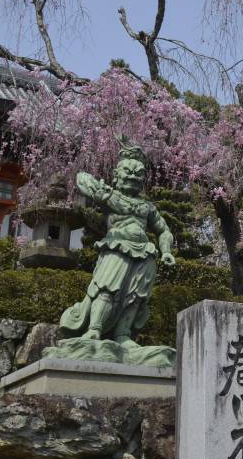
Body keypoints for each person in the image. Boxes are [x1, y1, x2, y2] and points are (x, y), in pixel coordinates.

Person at [58, 137, 175, 346]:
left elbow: (163, 230)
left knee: (135, 295)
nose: (133, 176)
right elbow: (81, 178)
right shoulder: (110, 197)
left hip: (145, 253)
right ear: (116, 175)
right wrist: (99, 193)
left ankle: (123, 335)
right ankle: (95, 329)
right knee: (106, 289)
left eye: (138, 173)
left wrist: (166, 251)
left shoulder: (147, 207)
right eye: (127, 171)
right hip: (116, 247)